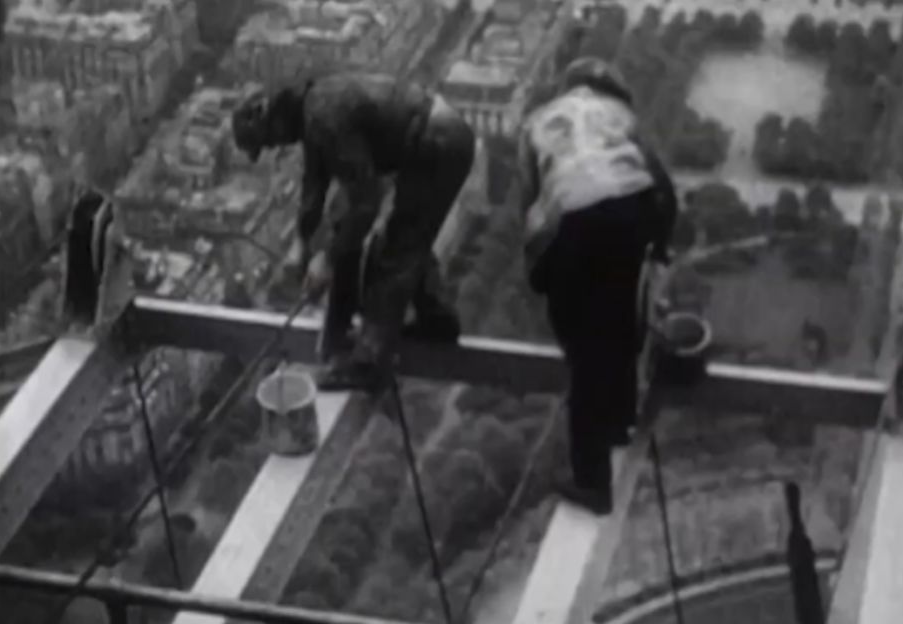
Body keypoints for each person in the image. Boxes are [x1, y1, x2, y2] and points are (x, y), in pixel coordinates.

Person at [231, 73, 476, 391]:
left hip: (435, 143)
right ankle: (437, 319)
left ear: (269, 114)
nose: (275, 146)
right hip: (440, 137)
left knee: (394, 250)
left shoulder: (322, 119)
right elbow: (314, 186)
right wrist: (301, 243)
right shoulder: (314, 107)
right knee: (408, 238)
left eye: (269, 140)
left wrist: (329, 260)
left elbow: (366, 203)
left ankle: (367, 363)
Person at [518, 58, 677, 515]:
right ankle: (619, 423)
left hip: (574, 215)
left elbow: (529, 203)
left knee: (584, 351)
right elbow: (665, 188)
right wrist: (660, 245)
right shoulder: (619, 115)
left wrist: (538, 272)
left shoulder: (536, 123)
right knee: (621, 319)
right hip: (632, 205)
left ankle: (592, 481)